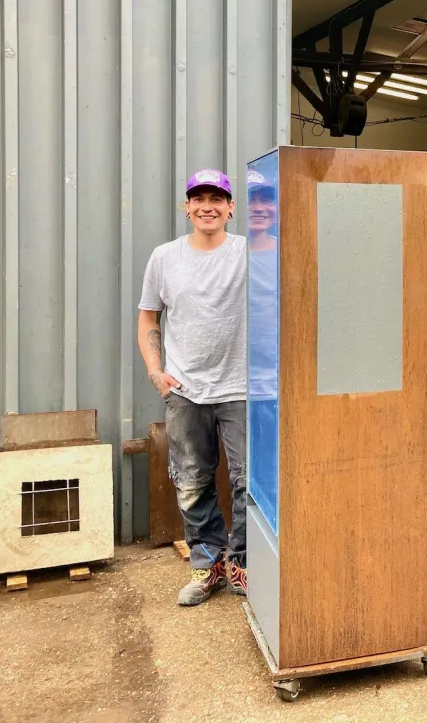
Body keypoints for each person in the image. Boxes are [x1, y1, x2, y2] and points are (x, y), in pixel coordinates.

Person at [138, 169, 248, 607]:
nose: (208, 206)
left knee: (249, 482)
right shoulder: (164, 258)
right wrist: (155, 370)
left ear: (231, 207)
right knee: (192, 480)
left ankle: (242, 563)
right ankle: (207, 565)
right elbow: (149, 316)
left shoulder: (251, 252)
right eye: (198, 198)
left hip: (241, 387)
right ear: (186, 207)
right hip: (185, 389)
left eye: (217, 198)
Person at [245, 170, 280, 531]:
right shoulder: (229, 253)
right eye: (252, 199)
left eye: (266, 199)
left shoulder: (285, 254)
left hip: (275, 384)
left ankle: (270, 540)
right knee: (242, 470)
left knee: (271, 466)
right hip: (236, 385)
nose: (259, 207)